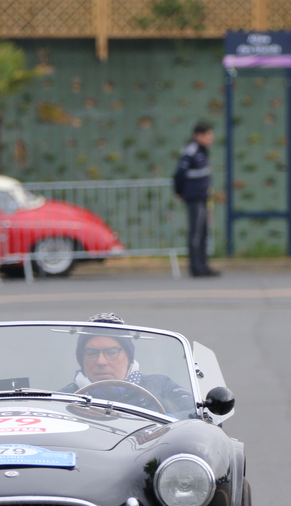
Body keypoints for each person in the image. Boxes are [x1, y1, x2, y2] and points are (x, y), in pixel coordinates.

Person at [57, 314, 194, 414]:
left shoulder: (160, 385)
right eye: (91, 353)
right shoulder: (63, 398)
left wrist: (163, 426)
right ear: (82, 360)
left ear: (128, 357)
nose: (101, 361)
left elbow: (194, 413)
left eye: (111, 352)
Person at [173, 121, 220, 277]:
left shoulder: (202, 151)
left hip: (203, 196)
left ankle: (204, 265)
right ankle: (195, 267)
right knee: (196, 232)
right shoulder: (191, 151)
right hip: (194, 197)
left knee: (204, 232)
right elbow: (179, 173)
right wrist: (179, 191)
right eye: (207, 135)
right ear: (198, 136)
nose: (210, 138)